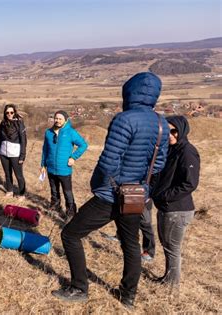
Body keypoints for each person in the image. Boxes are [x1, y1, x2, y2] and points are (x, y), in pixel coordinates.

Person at [52, 72, 169, 309]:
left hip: (111, 194)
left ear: (129, 92)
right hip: (136, 195)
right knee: (131, 244)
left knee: (71, 234)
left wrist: (103, 184)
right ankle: (128, 296)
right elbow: (159, 164)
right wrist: (141, 184)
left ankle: (79, 288)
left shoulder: (124, 119)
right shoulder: (161, 124)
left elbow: (107, 162)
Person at [151, 115, 200, 287]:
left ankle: (172, 283)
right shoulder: (171, 149)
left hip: (177, 209)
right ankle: (168, 277)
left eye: (174, 131)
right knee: (167, 245)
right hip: (167, 207)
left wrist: (164, 196)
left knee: (172, 248)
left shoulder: (187, 151)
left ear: (182, 131)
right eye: (167, 131)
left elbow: (190, 183)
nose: (170, 135)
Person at [40, 110, 88, 219]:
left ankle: (71, 213)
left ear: (66, 120)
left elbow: (83, 145)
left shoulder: (71, 132)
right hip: (51, 168)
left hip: (64, 169)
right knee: (54, 190)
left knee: (67, 192)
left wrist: (73, 157)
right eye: (56, 118)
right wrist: (43, 165)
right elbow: (45, 150)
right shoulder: (48, 132)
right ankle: (54, 208)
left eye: (60, 119)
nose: (57, 120)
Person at [0, 104, 27, 200]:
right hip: (4, 153)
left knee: (19, 175)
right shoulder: (3, 123)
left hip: (15, 153)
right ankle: (9, 191)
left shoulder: (20, 123)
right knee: (7, 173)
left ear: (14, 112)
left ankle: (22, 194)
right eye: (7, 112)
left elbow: (23, 140)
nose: (9, 114)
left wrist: (22, 156)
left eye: (11, 112)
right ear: (5, 113)